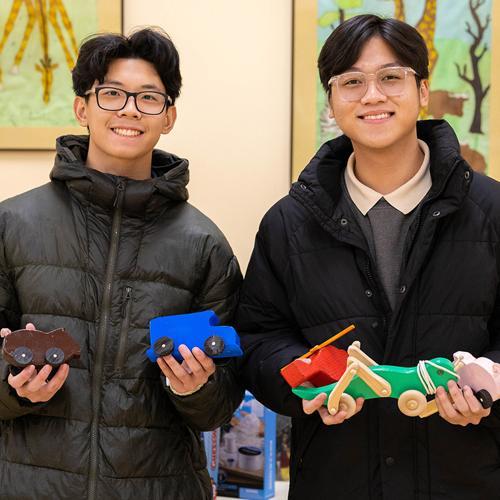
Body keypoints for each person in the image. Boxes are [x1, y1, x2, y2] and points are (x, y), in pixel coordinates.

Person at [237, 14, 500, 500]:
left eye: (391, 77)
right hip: (335, 481)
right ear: (332, 101)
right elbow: (259, 338)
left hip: (468, 480)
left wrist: (486, 386)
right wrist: (308, 383)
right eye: (352, 81)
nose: (372, 95)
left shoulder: (492, 211)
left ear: (423, 91)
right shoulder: (287, 223)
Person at [0, 28, 243, 500]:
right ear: (82, 108)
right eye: (111, 94)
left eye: (148, 97)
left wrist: (196, 389)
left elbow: (222, 403)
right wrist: (14, 388)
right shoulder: (12, 225)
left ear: (168, 116)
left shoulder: (204, 244)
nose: (130, 110)